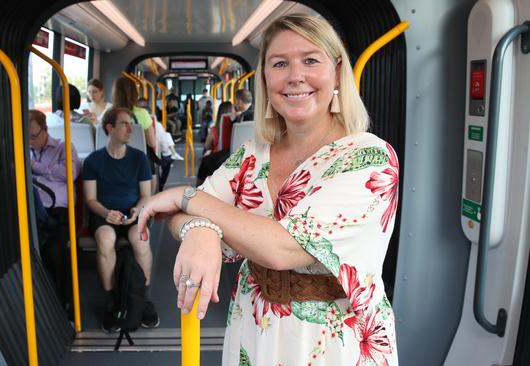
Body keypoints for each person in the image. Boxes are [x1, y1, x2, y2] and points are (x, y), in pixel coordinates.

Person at [137, 14, 399, 365]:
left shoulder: (368, 158)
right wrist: (198, 230)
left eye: (310, 60)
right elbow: (176, 217)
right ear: (265, 79)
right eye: (279, 63)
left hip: (331, 342)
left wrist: (191, 197)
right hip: (254, 326)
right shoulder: (253, 156)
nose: (295, 76)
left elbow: (283, 248)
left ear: (337, 71)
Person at [82, 107, 159, 333]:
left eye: (130, 124)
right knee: (105, 239)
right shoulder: (94, 161)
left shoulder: (139, 159)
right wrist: (106, 213)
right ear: (110, 128)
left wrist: (136, 211)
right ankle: (111, 300)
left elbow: (146, 195)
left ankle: (141, 298)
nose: (130, 129)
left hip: (133, 212)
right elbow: (90, 199)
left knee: (140, 239)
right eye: (124, 124)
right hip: (104, 214)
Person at [29, 109, 81, 315]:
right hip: (32, 209)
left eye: (34, 136)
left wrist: (36, 167)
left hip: (57, 212)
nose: (30, 142)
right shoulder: (23, 149)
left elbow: (69, 173)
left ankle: (62, 306)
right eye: (27, 137)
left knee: (57, 250)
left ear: (45, 130)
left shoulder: (63, 147)